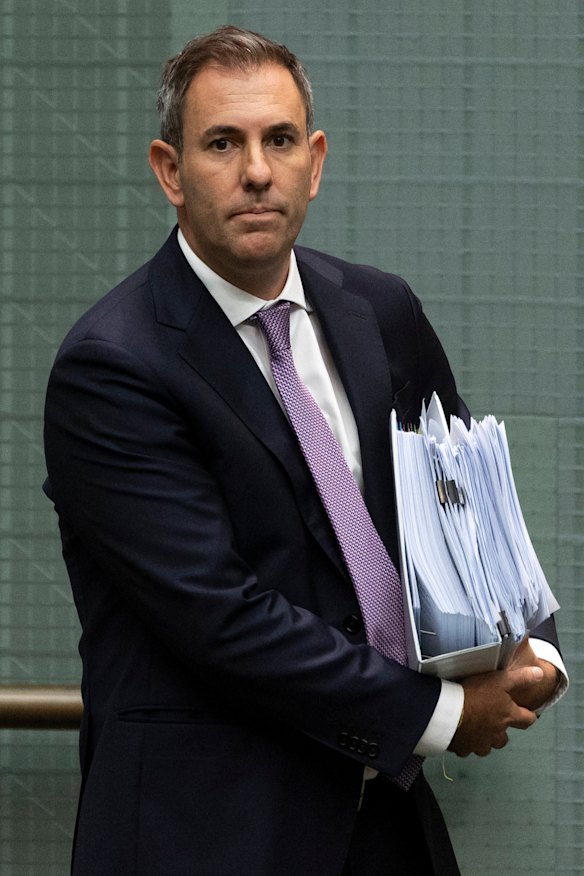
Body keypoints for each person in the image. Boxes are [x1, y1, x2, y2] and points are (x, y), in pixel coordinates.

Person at [43, 25, 567, 876]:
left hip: (385, 826)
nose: (257, 170)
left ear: (314, 161)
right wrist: (441, 714)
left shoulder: (379, 310)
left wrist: (531, 650)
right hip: (208, 836)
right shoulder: (113, 365)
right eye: (223, 143)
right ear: (169, 171)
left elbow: (466, 498)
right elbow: (222, 616)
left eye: (279, 140)